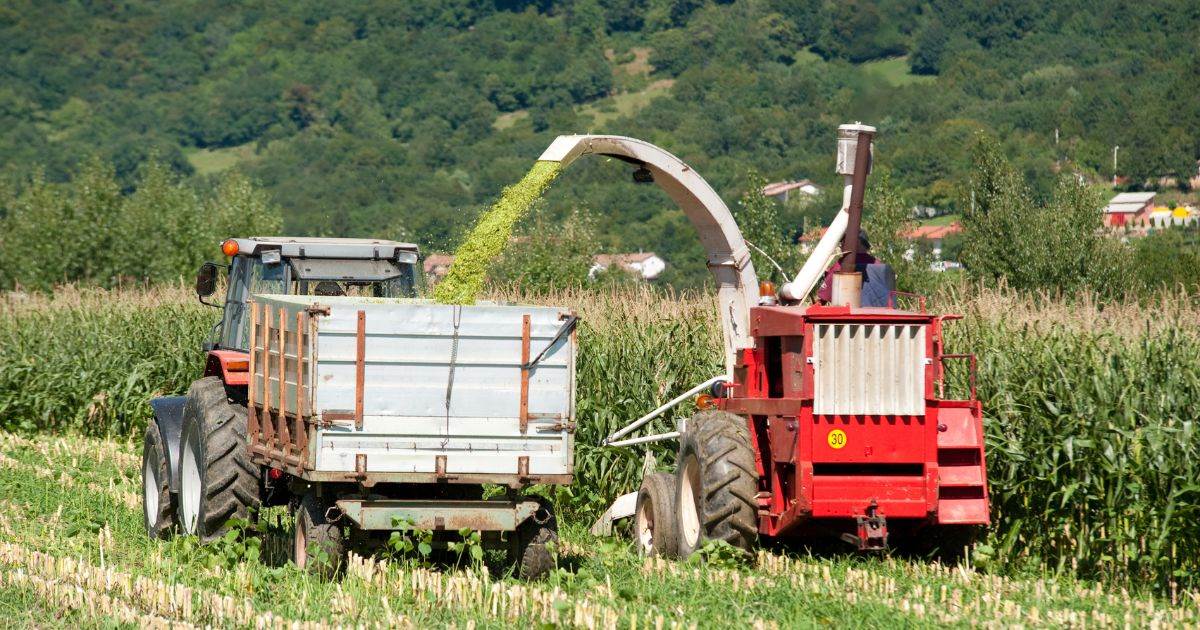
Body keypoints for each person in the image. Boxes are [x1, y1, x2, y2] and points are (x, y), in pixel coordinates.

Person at [817, 230, 878, 304]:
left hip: (849, 312)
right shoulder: (878, 264)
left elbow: (823, 297)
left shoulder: (844, 264)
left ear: (856, 243)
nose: (841, 245)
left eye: (844, 241)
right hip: (878, 313)